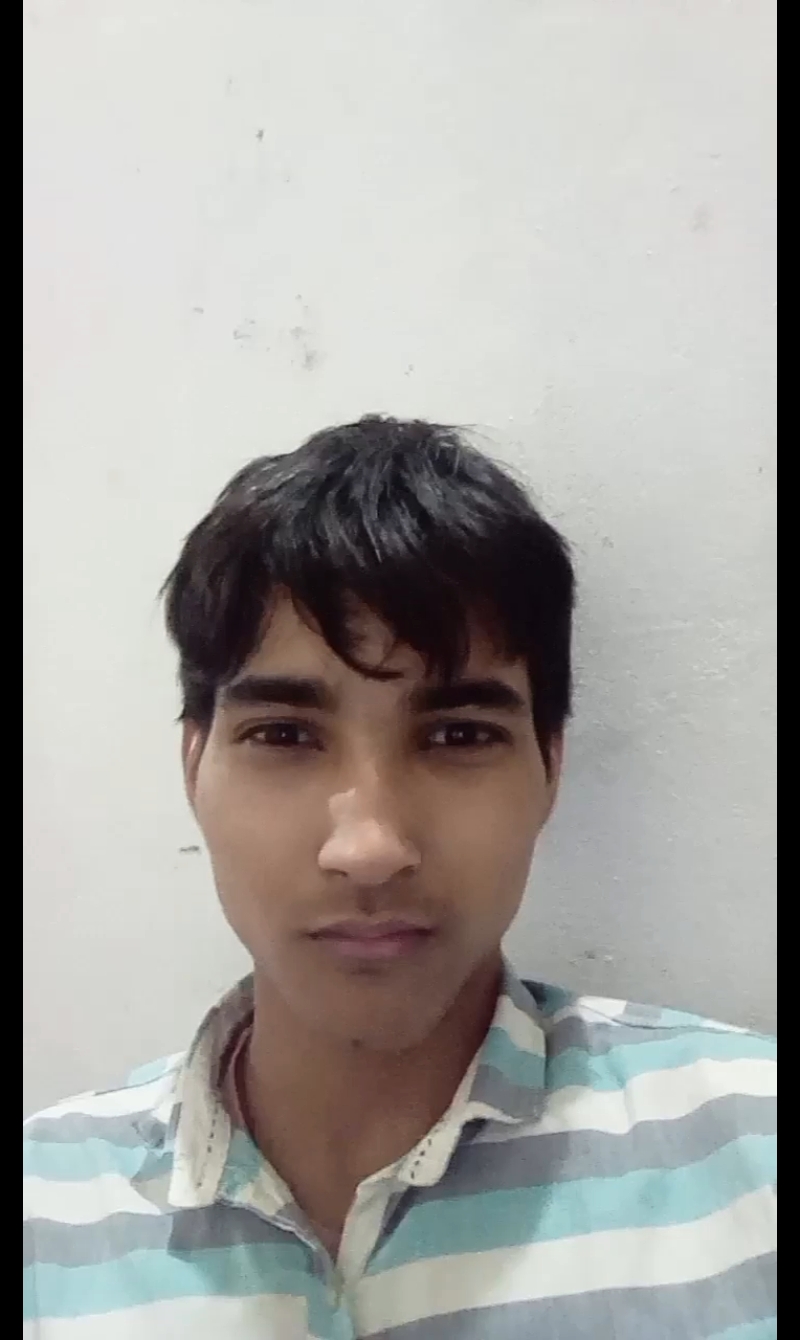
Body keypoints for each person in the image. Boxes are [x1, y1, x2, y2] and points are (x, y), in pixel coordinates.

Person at [24, 416, 776, 1339]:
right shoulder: (42, 1218)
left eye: (459, 734)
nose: (370, 846)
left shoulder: (753, 1154)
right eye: (284, 735)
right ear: (193, 765)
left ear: (550, 766)